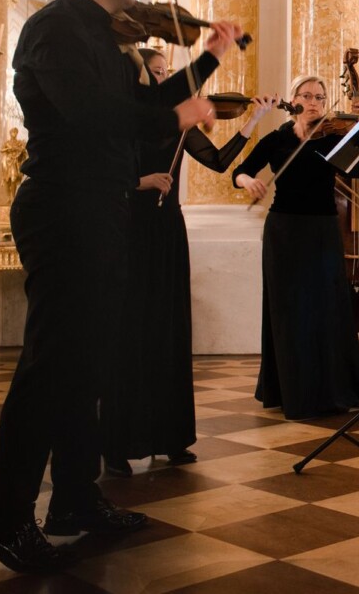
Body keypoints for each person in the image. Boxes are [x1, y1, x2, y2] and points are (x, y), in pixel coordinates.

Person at [0, 0, 233, 574]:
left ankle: (75, 502)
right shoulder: (53, 31)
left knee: (85, 366)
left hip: (97, 209)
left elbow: (143, 102)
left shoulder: (98, 35)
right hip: (62, 210)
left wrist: (209, 61)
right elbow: (93, 118)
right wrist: (182, 114)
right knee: (50, 367)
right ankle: (2, 520)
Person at [101, 49, 276, 476]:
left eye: (167, 73)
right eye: (154, 73)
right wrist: (139, 181)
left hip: (167, 232)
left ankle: (171, 436)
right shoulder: (122, 119)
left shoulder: (178, 120)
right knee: (131, 333)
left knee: (170, 330)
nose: (163, 80)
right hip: (130, 230)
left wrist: (252, 122)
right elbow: (100, 174)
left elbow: (218, 163)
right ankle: (119, 443)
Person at [233, 75, 359, 419]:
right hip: (284, 232)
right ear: (293, 100)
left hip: (323, 229)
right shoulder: (277, 139)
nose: (313, 102)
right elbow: (240, 171)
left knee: (327, 308)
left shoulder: (335, 138)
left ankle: (333, 388)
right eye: (306, 96)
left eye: (320, 97)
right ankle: (291, 390)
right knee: (289, 312)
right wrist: (249, 181)